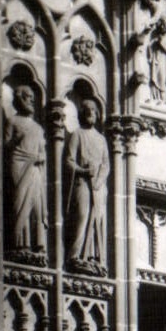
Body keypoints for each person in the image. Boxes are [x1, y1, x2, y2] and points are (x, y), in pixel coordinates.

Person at [64, 100, 110, 270]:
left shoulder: (101, 139)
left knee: (97, 218)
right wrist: (82, 171)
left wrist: (99, 180)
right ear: (81, 113)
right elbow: (68, 160)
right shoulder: (78, 134)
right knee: (82, 215)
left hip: (98, 186)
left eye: (93, 110)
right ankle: (74, 256)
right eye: (87, 110)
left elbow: (106, 164)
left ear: (97, 114)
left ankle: (92, 257)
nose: (90, 112)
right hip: (82, 182)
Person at [4, 85, 47, 255]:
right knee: (19, 201)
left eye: (32, 98)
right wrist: (16, 143)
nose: (32, 100)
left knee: (36, 205)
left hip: (35, 168)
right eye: (28, 97)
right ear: (19, 98)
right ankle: (19, 244)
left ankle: (37, 245)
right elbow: (6, 145)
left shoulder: (38, 128)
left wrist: (40, 158)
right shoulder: (12, 121)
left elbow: (43, 152)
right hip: (19, 165)